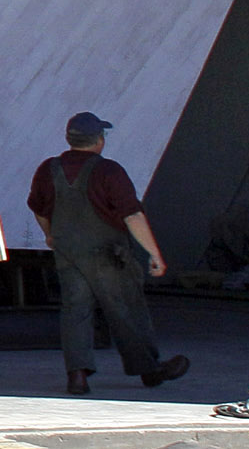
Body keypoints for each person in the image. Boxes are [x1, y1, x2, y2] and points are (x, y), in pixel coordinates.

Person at [30, 111, 190, 396]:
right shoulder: (109, 171)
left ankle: (77, 376)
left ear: (70, 139)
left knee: (75, 312)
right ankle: (149, 370)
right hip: (108, 254)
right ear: (99, 141)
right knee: (126, 309)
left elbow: (39, 208)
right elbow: (132, 215)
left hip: (68, 253)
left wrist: (50, 235)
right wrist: (154, 253)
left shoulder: (47, 169)